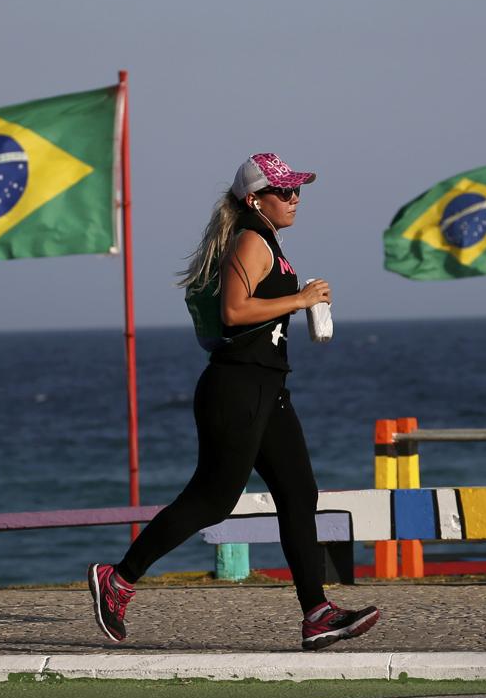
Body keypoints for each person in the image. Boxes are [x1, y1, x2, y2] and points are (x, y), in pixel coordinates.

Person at [88, 153, 380, 651]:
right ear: (254, 199)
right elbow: (234, 311)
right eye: (283, 192)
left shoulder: (268, 240)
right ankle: (118, 580)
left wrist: (301, 301)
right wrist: (302, 300)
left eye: (296, 190)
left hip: (267, 390)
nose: (294, 199)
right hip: (237, 388)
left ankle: (316, 613)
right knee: (212, 500)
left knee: (298, 492)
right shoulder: (250, 238)